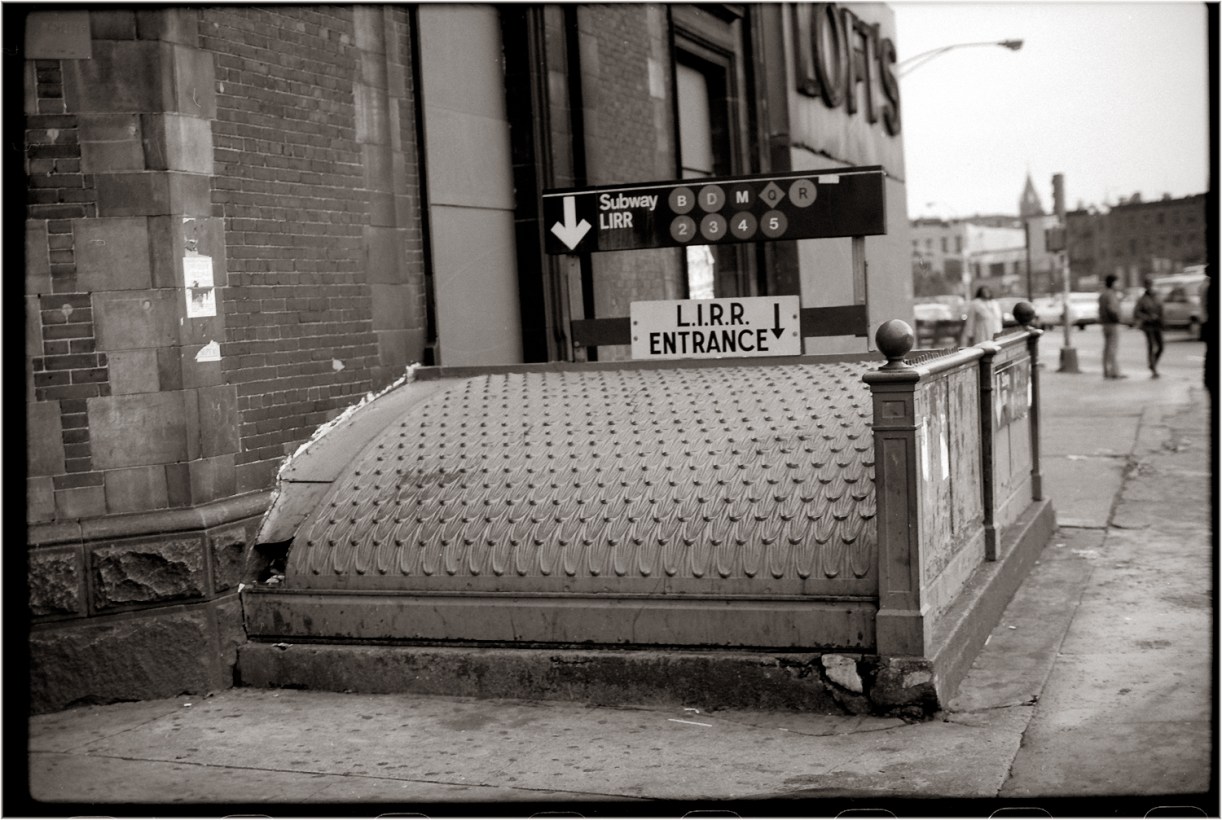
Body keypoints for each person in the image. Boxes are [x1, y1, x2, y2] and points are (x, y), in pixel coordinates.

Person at [1132, 275, 1164, 378]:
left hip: (1157, 324)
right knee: (1151, 346)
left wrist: (1161, 318)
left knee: (1161, 347)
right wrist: (1147, 317)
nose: (1149, 286)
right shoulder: (1142, 299)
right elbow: (1136, 312)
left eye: (1150, 284)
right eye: (1147, 284)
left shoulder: (1157, 296)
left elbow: (1161, 308)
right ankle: (1153, 368)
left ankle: (1152, 363)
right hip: (1148, 325)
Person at [1099, 274, 1126, 379]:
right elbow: (1112, 309)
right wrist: (1117, 318)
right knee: (1112, 349)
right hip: (1112, 324)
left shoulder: (1103, 294)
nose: (1118, 284)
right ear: (1113, 283)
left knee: (1107, 348)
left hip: (1105, 324)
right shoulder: (1111, 295)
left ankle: (1106, 370)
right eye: (1117, 282)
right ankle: (1114, 372)